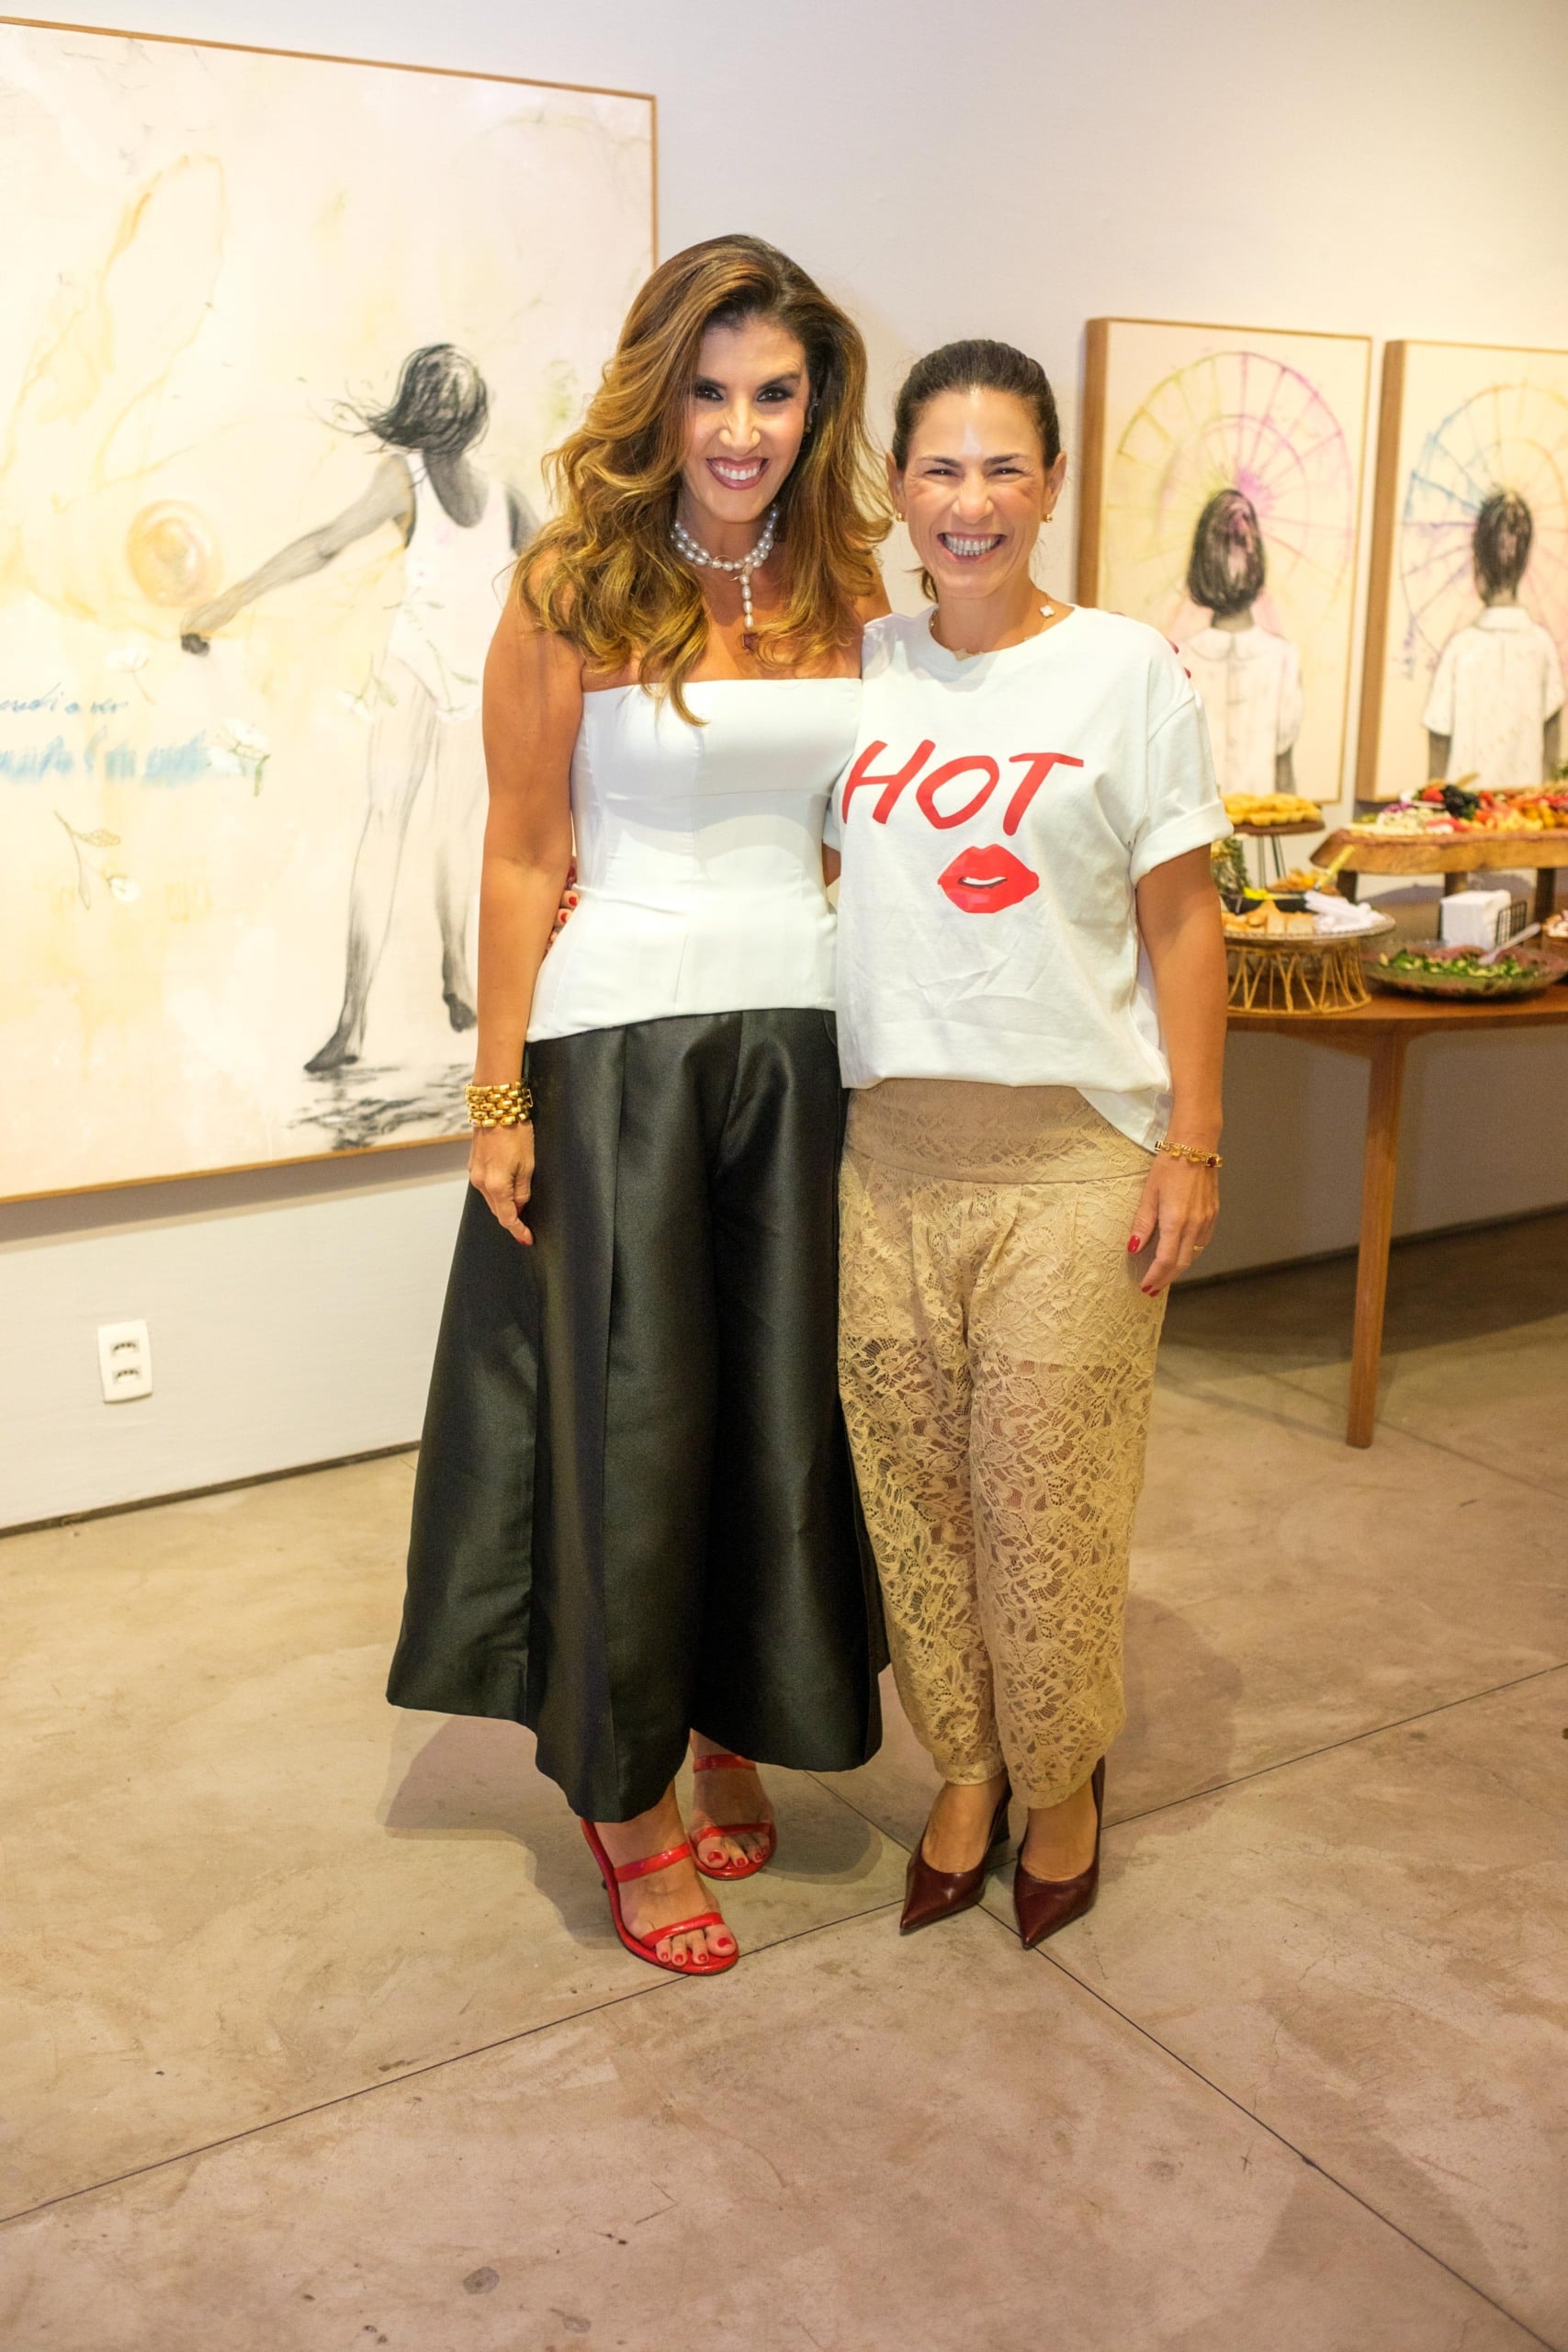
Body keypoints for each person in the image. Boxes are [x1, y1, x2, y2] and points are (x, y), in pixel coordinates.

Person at [387, 237, 891, 1977]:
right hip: (621, 1052)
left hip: (804, 1046)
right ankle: (626, 1796)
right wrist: (496, 1091)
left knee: (777, 1413)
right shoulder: (571, 583)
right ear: (657, 397)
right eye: (708, 392)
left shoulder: (845, 577)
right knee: (634, 1430)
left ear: (815, 403)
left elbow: (861, 831)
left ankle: (735, 1701)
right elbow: (521, 850)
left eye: (774, 393)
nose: (740, 430)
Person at [829, 339, 1229, 1948]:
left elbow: (1183, 923)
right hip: (885, 1153)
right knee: (915, 1500)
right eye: (939, 467)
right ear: (897, 488)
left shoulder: (1124, 672)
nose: (970, 500)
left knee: (1042, 1501)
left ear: (1050, 485)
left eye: (1004, 467)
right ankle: (968, 1765)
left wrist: (1191, 1142)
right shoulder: (855, 667)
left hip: (1073, 1156)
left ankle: (1062, 1777)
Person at [182, 345, 533, 1070]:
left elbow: (567, 577)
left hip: (469, 679)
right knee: (414, 831)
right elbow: (323, 548)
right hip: (423, 672)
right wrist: (228, 603)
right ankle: (374, 1010)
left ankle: (427, 987)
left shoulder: (494, 497)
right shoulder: (439, 486)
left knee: (422, 833)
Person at [1425, 490, 1563, 792]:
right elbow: (1552, 763)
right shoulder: (1542, 648)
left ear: (1479, 564)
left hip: (1467, 813)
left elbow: (1437, 751)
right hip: (1524, 813)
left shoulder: (1460, 649)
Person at [1179, 486, 1303, 797]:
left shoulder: (1182, 657)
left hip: (1234, 820)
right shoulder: (1180, 658)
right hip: (1228, 822)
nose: (1234, 563)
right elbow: (1284, 774)